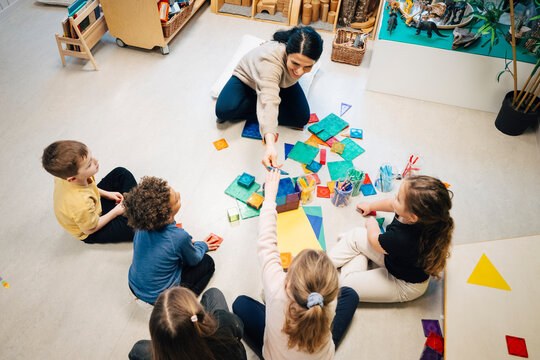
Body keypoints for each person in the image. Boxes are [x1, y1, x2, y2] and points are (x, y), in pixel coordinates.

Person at [232, 170, 359, 359]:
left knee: (239, 304)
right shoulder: (329, 303)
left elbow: (266, 242)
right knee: (351, 295)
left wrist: (270, 198)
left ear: (288, 279)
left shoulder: (276, 288)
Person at [328, 175, 454, 303]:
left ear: (412, 217)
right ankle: (324, 264)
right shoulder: (416, 214)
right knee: (355, 235)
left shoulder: (402, 238)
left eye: (399, 198)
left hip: (404, 284)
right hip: (394, 258)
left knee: (346, 286)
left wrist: (372, 224)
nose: (395, 197)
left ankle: (355, 257)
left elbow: (375, 241)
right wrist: (371, 207)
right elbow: (391, 204)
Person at [215, 26, 323, 169]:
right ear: (287, 52)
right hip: (248, 78)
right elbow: (269, 100)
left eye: (307, 67)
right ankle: (260, 103)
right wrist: (270, 145)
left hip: (280, 82)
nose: (299, 72)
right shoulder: (270, 61)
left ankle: (262, 103)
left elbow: (271, 98)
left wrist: (268, 102)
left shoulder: (296, 68)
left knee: (301, 118)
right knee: (223, 111)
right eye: (295, 63)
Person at [124, 176, 220, 304]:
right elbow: (194, 259)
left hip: (134, 285)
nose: (179, 194)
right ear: (167, 214)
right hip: (159, 298)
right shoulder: (179, 237)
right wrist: (202, 245)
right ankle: (183, 302)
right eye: (177, 199)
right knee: (208, 263)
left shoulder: (141, 226)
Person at [42, 140, 137, 244]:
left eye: (91, 157)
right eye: (89, 164)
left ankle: (133, 209)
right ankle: (135, 212)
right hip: (92, 228)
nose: (96, 161)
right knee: (135, 227)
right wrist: (115, 212)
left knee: (121, 173)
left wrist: (107, 194)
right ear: (72, 179)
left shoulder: (64, 177)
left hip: (93, 206)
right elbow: (89, 229)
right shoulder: (80, 203)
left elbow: (88, 187)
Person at [129, 287, 247, 360]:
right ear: (202, 318)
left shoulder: (161, 351)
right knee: (213, 293)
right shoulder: (224, 324)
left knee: (137, 349)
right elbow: (239, 329)